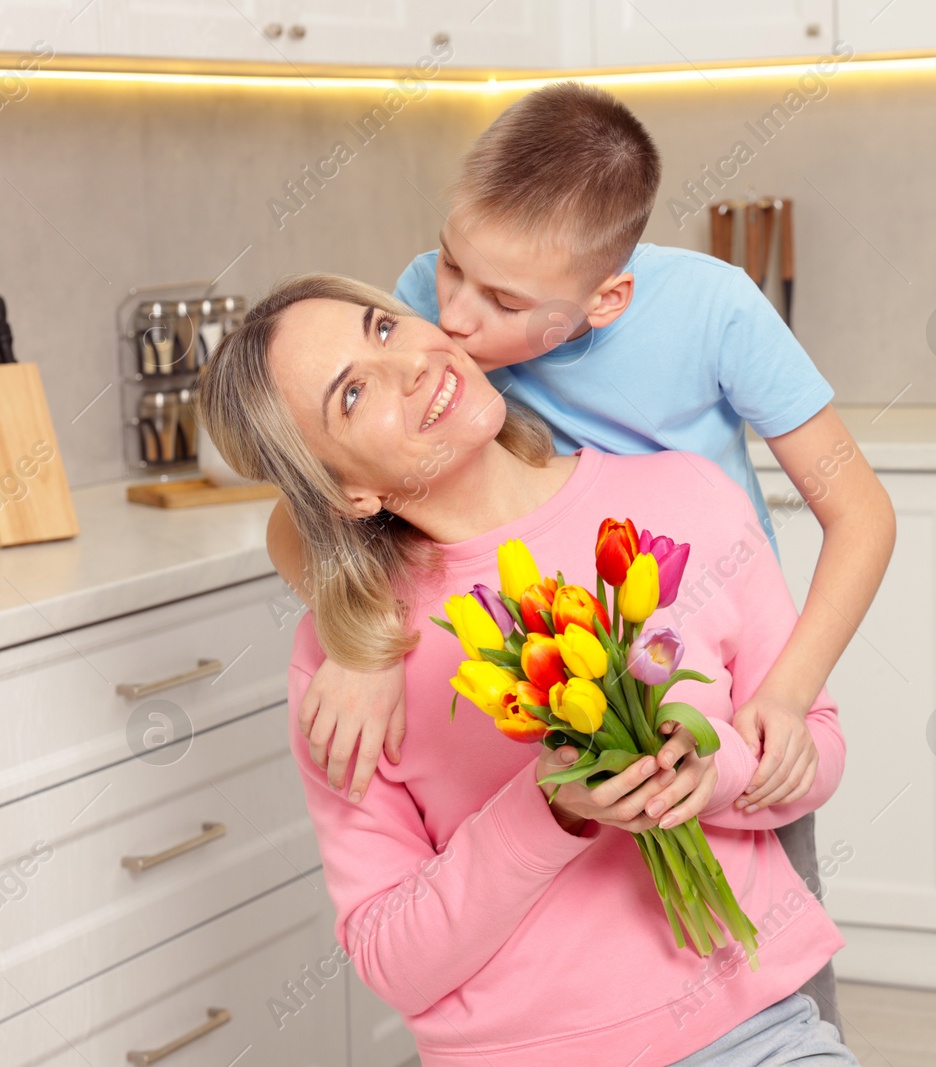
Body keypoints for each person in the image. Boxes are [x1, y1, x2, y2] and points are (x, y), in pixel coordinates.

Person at [265, 81, 894, 1030]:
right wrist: (363, 641)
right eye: (451, 268)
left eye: (506, 300)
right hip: (550, 657)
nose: (460, 323)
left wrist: (783, 700)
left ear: (608, 298)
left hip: (708, 668)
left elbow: (862, 512)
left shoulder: (716, 311)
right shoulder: (420, 310)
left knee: (771, 969)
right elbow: (303, 509)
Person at [198, 273, 861, 1067]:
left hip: (750, 1035)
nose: (406, 364)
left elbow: (814, 746)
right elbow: (390, 957)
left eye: (382, 328)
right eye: (351, 395)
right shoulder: (349, 661)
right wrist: (549, 809)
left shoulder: (683, 495)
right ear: (348, 491)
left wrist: (709, 771)